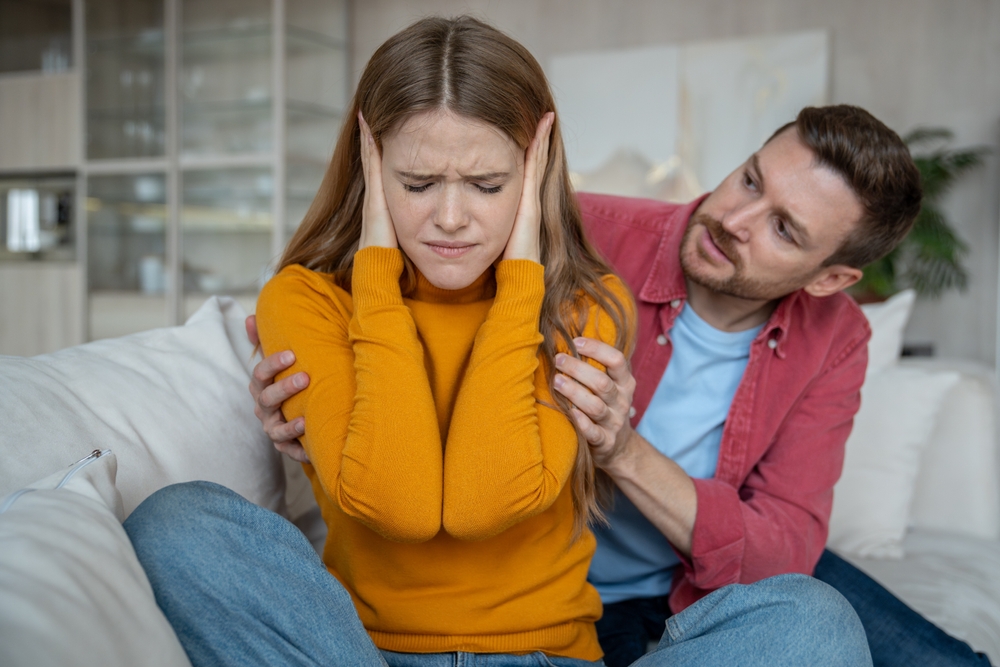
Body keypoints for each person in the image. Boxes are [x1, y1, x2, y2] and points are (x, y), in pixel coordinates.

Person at [126, 15, 872, 667]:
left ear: (534, 178)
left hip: (545, 656)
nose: (451, 217)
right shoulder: (306, 297)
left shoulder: (588, 302)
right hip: (358, 649)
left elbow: (485, 505)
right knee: (177, 519)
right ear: (371, 170)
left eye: (486, 185)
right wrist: (377, 275)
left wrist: (523, 281)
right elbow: (402, 508)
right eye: (416, 182)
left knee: (813, 621)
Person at [248, 94, 989, 667]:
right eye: (749, 179)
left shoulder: (837, 337)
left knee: (830, 622)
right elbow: (398, 271)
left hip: (681, 590)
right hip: (532, 571)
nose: (734, 217)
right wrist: (316, 393)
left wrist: (621, 448)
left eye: (783, 229)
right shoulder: (583, 230)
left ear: (832, 278)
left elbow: (782, 546)